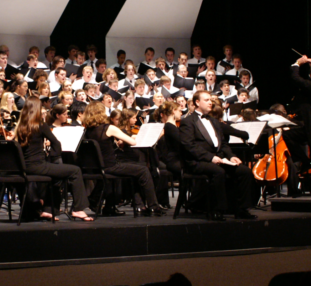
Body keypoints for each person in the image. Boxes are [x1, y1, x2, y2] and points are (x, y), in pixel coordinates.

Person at [178, 90, 257, 221]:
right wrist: (210, 158)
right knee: (218, 172)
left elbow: (223, 144)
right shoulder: (188, 121)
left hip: (219, 159)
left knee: (245, 171)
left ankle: (241, 209)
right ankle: (217, 209)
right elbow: (189, 145)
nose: (211, 102)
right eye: (207, 100)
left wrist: (231, 156)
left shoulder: (214, 121)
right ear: (197, 102)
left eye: (211, 100)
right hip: (197, 161)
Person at [16, 97, 93, 221]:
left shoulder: (20, 126)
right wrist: (54, 156)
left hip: (26, 166)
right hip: (38, 166)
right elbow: (56, 143)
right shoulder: (40, 125)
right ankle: (78, 209)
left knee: (57, 178)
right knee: (75, 170)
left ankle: (48, 210)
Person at [83, 101, 163, 216]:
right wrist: (131, 137)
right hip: (110, 166)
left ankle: (108, 206)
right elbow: (132, 142)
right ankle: (153, 206)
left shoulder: (88, 130)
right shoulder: (109, 128)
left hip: (97, 167)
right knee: (143, 170)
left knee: (135, 168)